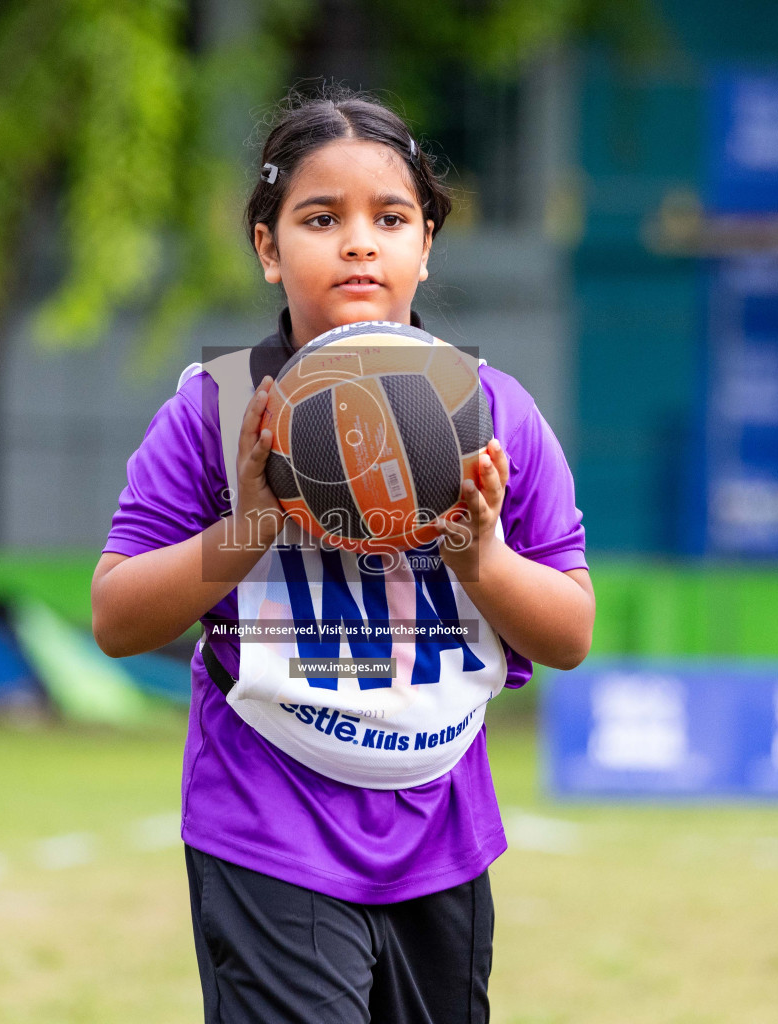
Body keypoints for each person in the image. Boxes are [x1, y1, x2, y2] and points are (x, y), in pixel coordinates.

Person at [92, 87, 595, 1024]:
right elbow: (116, 617)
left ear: (426, 245)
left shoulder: (495, 415)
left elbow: (570, 632)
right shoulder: (218, 410)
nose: (359, 242)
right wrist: (247, 526)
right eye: (321, 219)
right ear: (267, 248)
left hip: (438, 829)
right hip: (267, 818)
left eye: (390, 218)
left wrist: (482, 559)